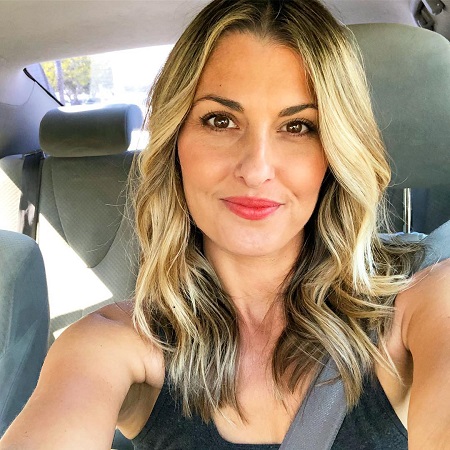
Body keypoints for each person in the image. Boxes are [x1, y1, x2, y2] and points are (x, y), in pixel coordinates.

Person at [1, 0, 450, 449]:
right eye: (220, 121)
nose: (256, 170)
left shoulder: (426, 298)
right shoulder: (110, 345)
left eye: (298, 127)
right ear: (175, 141)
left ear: (335, 152)